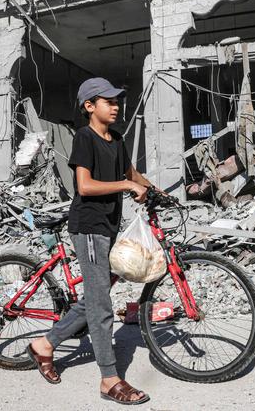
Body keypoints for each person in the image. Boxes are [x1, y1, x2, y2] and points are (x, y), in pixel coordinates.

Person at [27, 77, 154, 405]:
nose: (115, 106)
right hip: (89, 227)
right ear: (89, 106)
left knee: (96, 295)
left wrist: (155, 190)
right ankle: (109, 380)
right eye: (108, 101)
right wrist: (127, 188)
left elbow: (131, 173)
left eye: (117, 101)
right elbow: (84, 186)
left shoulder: (117, 138)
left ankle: (44, 345)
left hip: (109, 226)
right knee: (101, 305)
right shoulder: (84, 137)